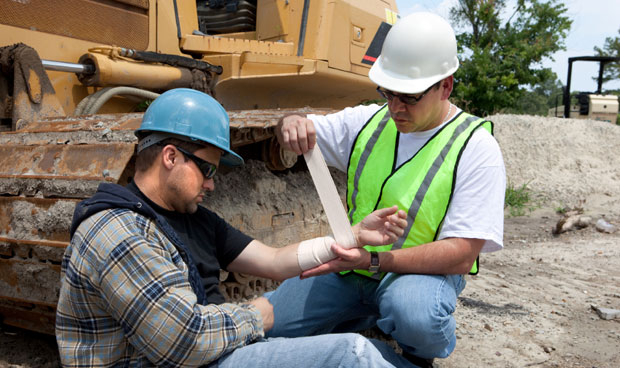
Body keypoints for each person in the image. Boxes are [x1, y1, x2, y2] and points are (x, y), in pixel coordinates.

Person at [55, 88, 415, 367]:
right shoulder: (119, 232)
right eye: (208, 169)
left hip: (211, 349)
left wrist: (348, 236)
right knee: (350, 355)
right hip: (182, 358)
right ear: (170, 157)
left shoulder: (196, 219)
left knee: (338, 318)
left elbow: (273, 261)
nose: (212, 184)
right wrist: (256, 314)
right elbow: (184, 342)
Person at [264, 11, 506, 367]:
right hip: (351, 270)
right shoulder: (371, 121)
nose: (395, 107)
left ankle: (416, 355)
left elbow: (462, 254)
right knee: (272, 325)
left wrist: (376, 261)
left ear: (446, 86)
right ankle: (366, 318)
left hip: (417, 278)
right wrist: (291, 123)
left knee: (416, 316)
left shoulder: (475, 148)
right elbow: (300, 126)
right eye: (388, 93)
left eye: (408, 97)